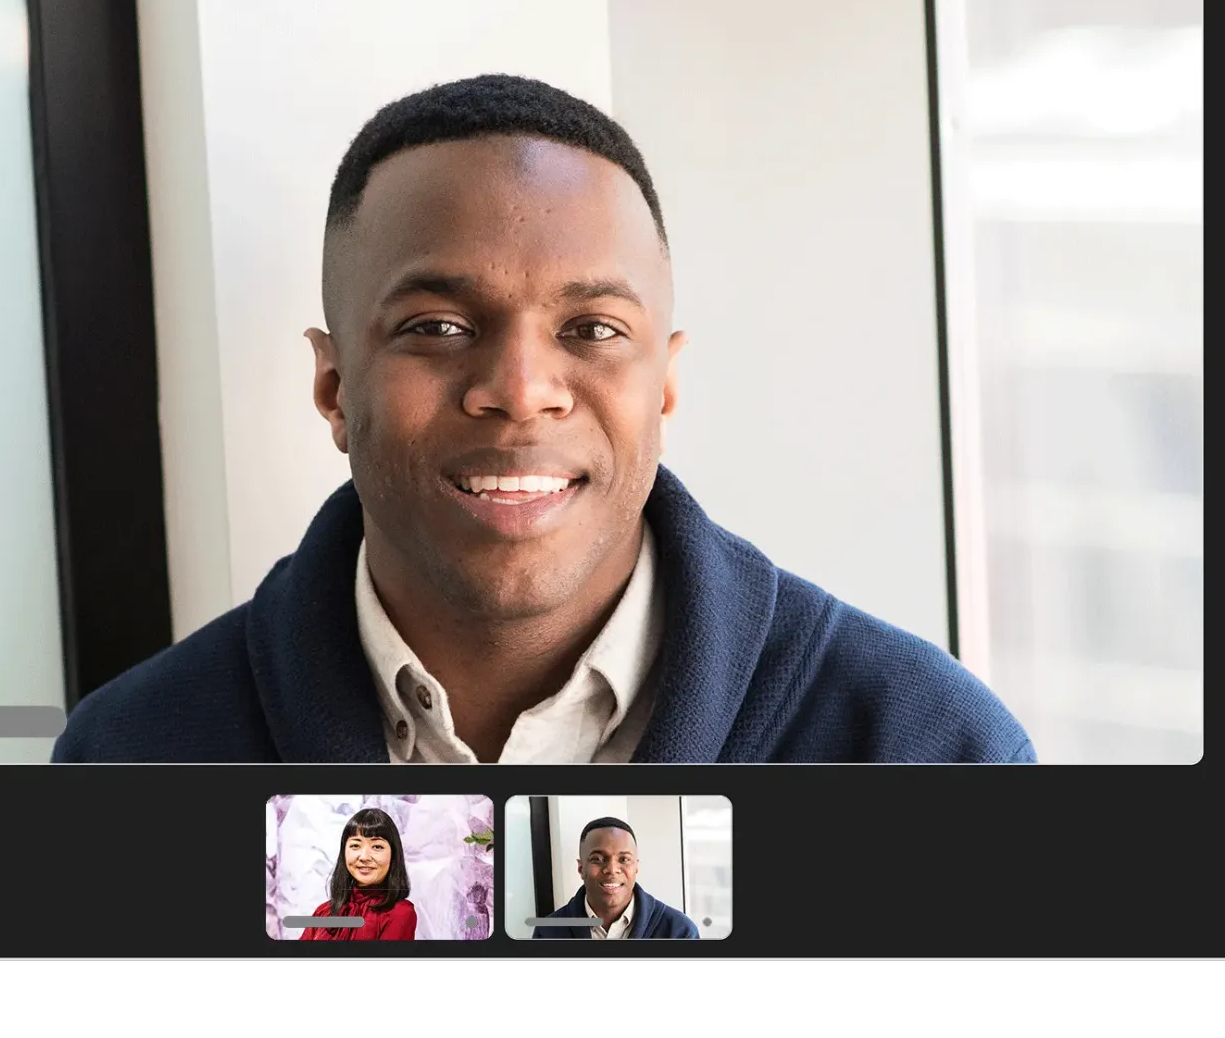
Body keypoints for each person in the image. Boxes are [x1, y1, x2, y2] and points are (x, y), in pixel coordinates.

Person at [52, 73, 1035, 765]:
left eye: (593, 327)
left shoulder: (923, 751)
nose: (521, 389)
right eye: (437, 326)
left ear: (665, 386)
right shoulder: (136, 755)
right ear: (331, 387)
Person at [532, 817, 697, 940]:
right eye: (597, 859)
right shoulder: (548, 932)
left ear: (636, 867)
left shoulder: (678, 931)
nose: (611, 869)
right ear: (581, 868)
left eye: (624, 859)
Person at [296, 808, 417, 941]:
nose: (364, 857)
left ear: (393, 855)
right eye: (355, 845)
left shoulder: (401, 913)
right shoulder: (323, 911)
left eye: (377, 847)